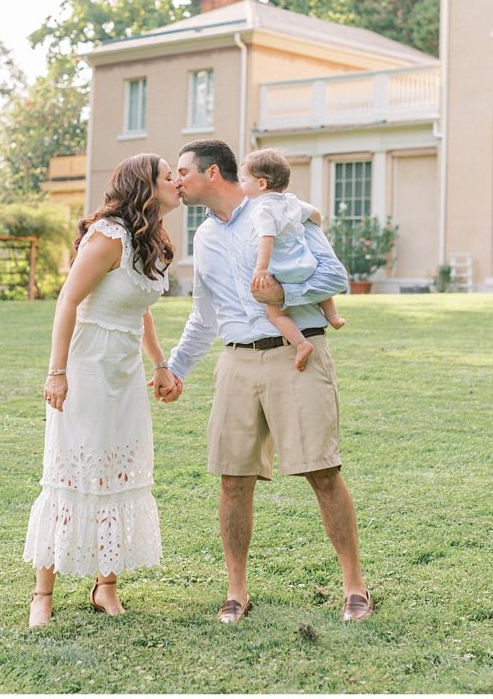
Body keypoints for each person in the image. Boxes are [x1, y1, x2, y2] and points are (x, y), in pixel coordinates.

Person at [166, 139, 373, 624]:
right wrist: (176, 367)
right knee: (233, 479)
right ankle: (236, 593)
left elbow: (335, 275)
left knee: (323, 471)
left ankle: (355, 588)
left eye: (183, 171)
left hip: (296, 356)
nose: (177, 181)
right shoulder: (204, 237)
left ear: (212, 173)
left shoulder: (282, 213)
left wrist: (287, 290)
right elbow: (205, 314)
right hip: (236, 362)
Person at [24, 154, 182, 628]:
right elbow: (68, 298)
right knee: (72, 473)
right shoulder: (108, 235)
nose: (177, 181)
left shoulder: (150, 238)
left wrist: (160, 364)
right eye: (168, 175)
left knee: (118, 471)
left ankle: (105, 587)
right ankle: (42, 594)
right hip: (88, 364)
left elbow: (141, 308)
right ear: (145, 187)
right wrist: (57, 372)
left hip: (125, 369)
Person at [240, 147, 346, 372]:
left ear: (261, 184)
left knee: (274, 312)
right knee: (321, 294)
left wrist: (261, 269)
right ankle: (334, 316)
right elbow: (316, 215)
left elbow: (266, 238)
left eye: (244, 180)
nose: (241, 185)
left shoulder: (262, 209)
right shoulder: (291, 201)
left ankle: (301, 344)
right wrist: (315, 225)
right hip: (306, 264)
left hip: (283, 271)